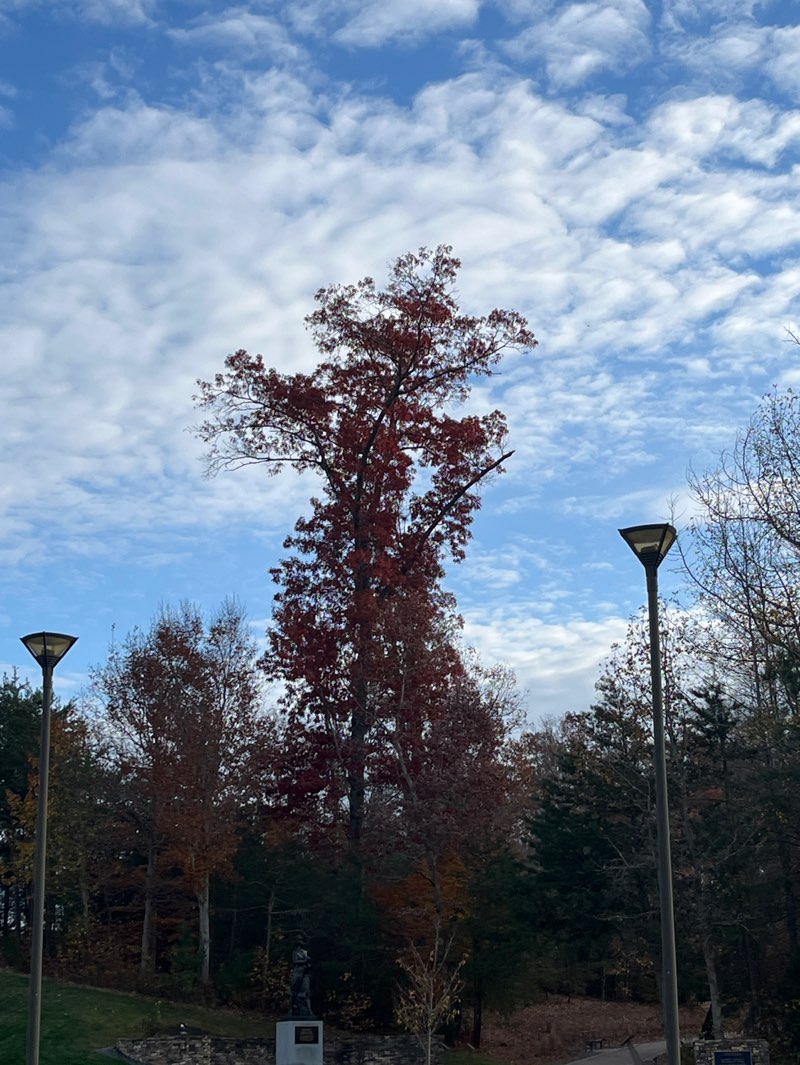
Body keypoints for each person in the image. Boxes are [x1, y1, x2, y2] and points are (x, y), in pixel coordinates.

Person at [290, 943, 312, 1018]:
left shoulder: (305, 952)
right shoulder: (295, 952)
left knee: (307, 991)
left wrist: (307, 961)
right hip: (298, 973)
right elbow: (295, 961)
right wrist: (304, 961)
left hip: (305, 973)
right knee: (295, 990)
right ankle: (294, 1007)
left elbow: (308, 959)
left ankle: (309, 1010)